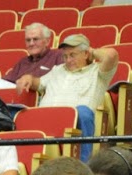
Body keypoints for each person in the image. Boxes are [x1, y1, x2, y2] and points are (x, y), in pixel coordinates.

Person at [31, 34, 119, 162]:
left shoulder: (98, 72)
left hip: (74, 124)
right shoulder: (58, 70)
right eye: (65, 56)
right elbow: (38, 83)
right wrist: (29, 80)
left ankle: (83, 165)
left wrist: (92, 51)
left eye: (72, 55)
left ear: (86, 54)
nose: (68, 60)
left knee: (83, 112)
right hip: (46, 122)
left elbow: (111, 56)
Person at [3, 23, 64, 94]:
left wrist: (33, 81)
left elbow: (62, 82)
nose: (31, 43)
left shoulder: (58, 56)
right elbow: (6, 83)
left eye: (35, 39)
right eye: (28, 40)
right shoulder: (22, 62)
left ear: (47, 41)